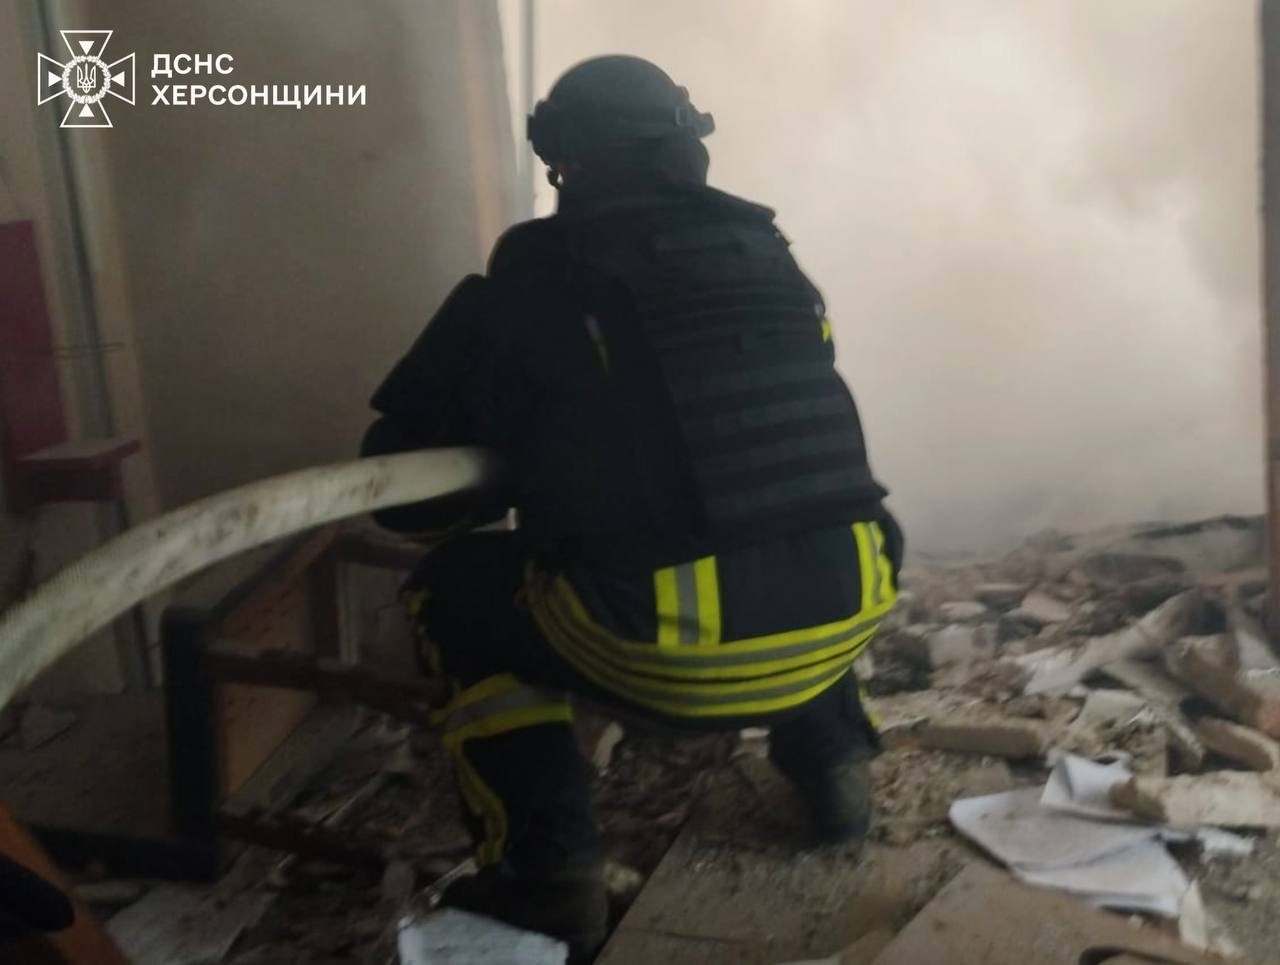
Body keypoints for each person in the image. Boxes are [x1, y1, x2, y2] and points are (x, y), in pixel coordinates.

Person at [362, 54, 902, 960]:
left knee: (452, 590)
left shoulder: (537, 269)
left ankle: (548, 873)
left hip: (669, 652)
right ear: (688, 144)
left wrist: (533, 463)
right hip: (851, 617)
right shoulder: (771, 257)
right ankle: (835, 769)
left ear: (563, 161)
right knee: (781, 518)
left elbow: (404, 500)